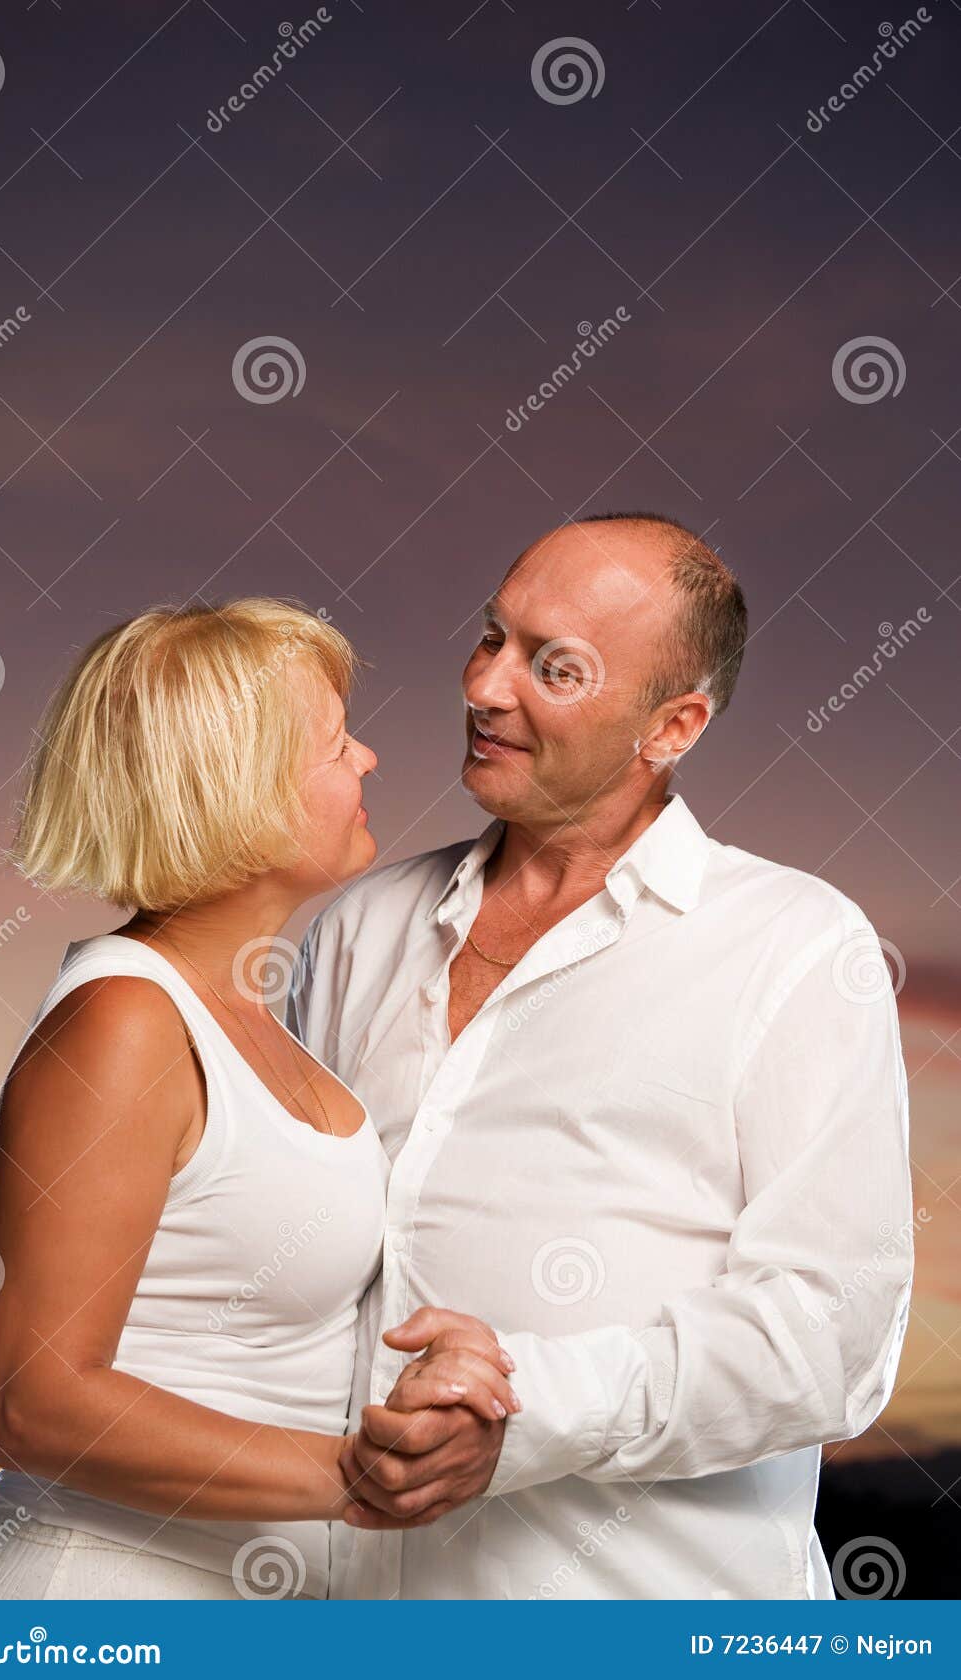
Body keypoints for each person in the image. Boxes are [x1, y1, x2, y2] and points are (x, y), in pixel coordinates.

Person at [288, 512, 915, 1600]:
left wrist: (524, 1406)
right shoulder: (355, 929)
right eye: (493, 636)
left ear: (672, 726)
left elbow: (834, 1331)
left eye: (554, 666)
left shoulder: (796, 945)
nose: (485, 686)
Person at [0, 597, 517, 1602]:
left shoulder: (255, 1023)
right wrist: (357, 1480)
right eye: (335, 743)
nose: (368, 758)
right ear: (239, 790)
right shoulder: (122, 1021)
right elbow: (35, 1404)